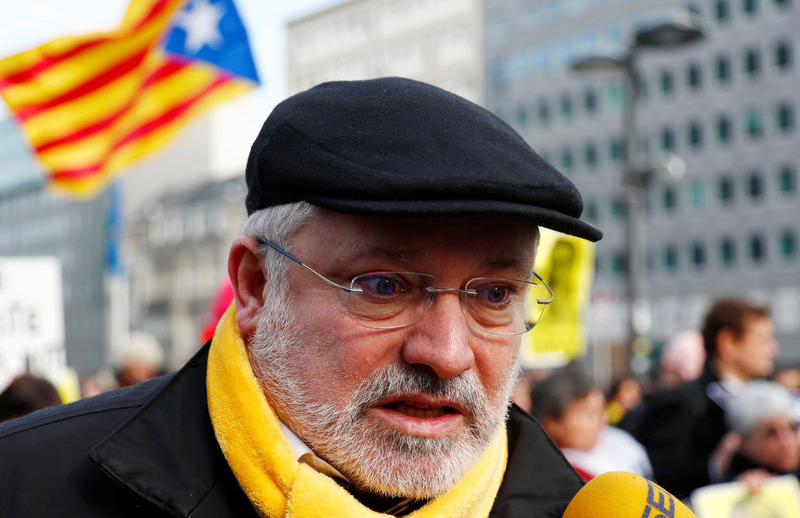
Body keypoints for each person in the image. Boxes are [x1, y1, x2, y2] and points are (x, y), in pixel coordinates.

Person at [0, 77, 602, 517]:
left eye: (495, 294)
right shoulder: (27, 484)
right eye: (383, 286)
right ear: (257, 285)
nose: (446, 354)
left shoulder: (583, 506)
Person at [621, 297, 779, 498]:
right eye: (762, 340)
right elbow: (659, 481)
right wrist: (717, 464)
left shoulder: (772, 399)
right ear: (727, 343)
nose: (773, 349)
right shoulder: (682, 403)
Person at [531, 362, 652, 481]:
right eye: (589, 414)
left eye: (601, 411)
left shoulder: (617, 443)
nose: (602, 421)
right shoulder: (557, 474)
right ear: (551, 424)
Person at [721, 380, 800, 484]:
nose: (787, 442)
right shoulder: (735, 483)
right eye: (771, 433)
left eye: (793, 428)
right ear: (744, 442)